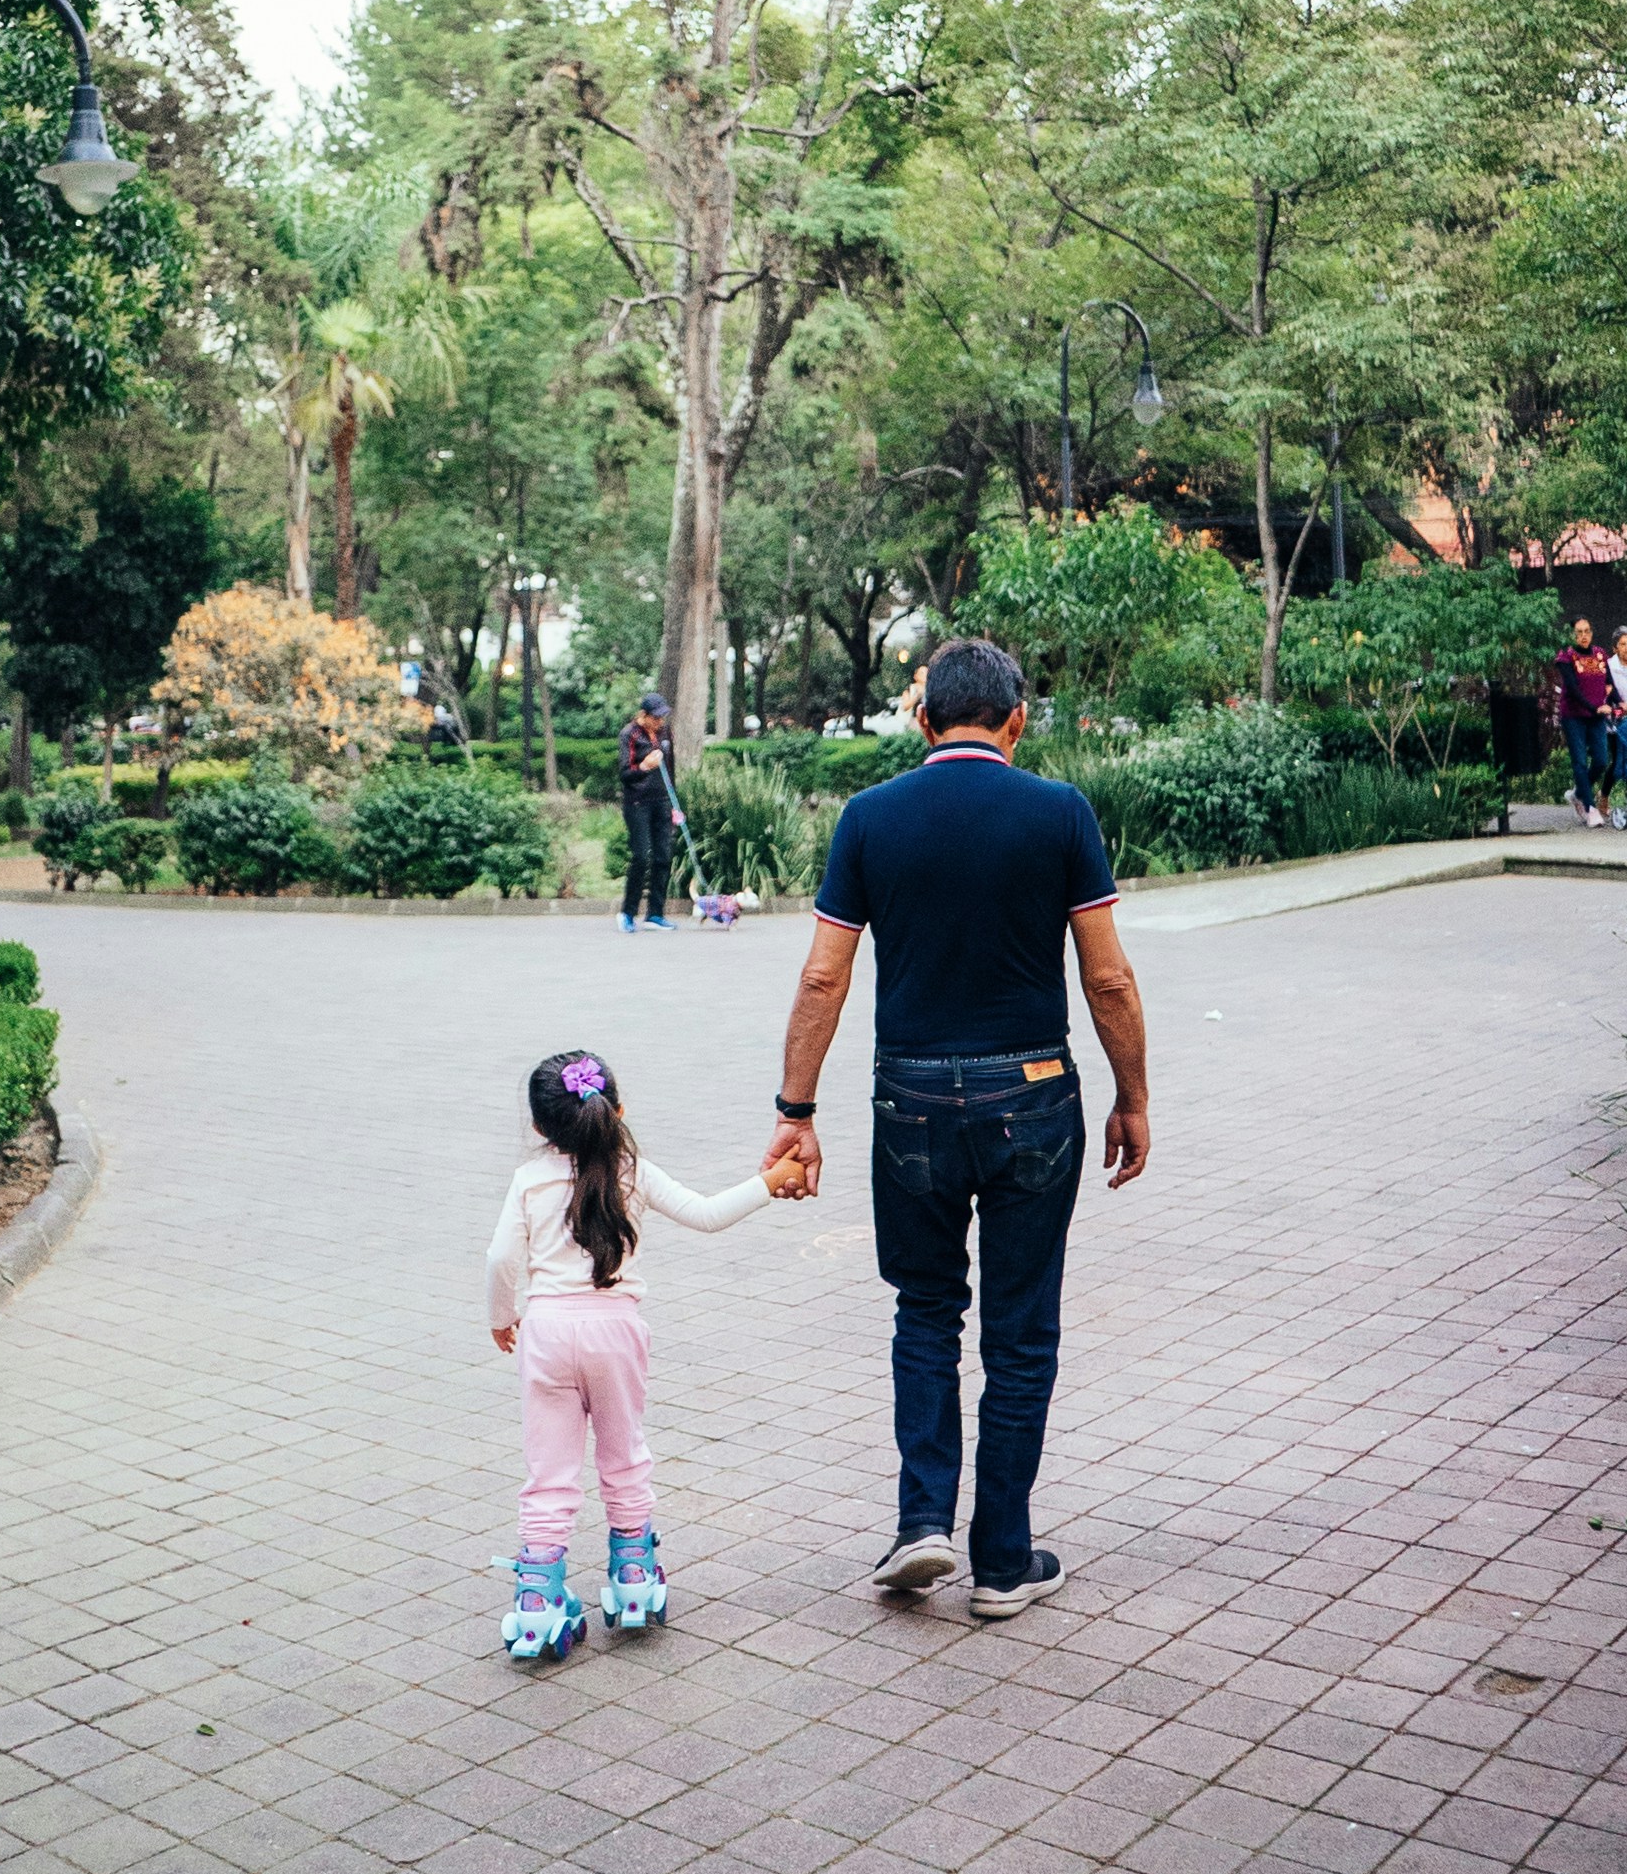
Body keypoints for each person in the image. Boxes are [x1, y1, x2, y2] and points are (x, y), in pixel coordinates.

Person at [760, 634, 1150, 1621]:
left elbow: (822, 974)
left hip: (911, 1102)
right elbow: (1105, 975)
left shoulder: (868, 818)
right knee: (1020, 1333)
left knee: (925, 1311)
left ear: (923, 717)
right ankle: (1003, 1562)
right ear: (1015, 720)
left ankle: (920, 1524)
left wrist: (794, 1112)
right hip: (1033, 1095)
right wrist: (1131, 1094)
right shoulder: (1059, 813)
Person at [486, 1046, 791, 1661]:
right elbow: (706, 1215)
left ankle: (538, 1599)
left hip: (545, 1332)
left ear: (542, 1128)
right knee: (624, 1455)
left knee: (549, 1470)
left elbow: (499, 1260)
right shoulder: (633, 1171)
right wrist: (769, 1182)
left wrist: (501, 1319)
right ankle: (632, 1578)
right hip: (616, 1332)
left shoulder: (529, 1179)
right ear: (616, 1110)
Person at [616, 692, 685, 934]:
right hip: (638, 803)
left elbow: (671, 767)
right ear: (644, 716)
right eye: (655, 717)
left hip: (662, 801)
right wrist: (644, 767)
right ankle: (627, 912)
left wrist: (675, 803)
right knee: (641, 856)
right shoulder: (629, 735)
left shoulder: (666, 734)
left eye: (662, 717)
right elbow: (625, 773)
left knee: (663, 856)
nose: (660, 722)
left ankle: (655, 914)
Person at [1553, 617, 1617, 828]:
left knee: (1600, 761)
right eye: (1579, 632)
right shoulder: (1566, 657)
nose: (1583, 636)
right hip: (1574, 716)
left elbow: (1608, 684)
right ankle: (1590, 809)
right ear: (1572, 634)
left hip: (1597, 717)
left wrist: (1617, 702)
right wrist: (1594, 707)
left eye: (1587, 631)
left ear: (1591, 632)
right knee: (1580, 762)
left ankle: (1579, 794)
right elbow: (1573, 689)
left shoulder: (1600, 654)